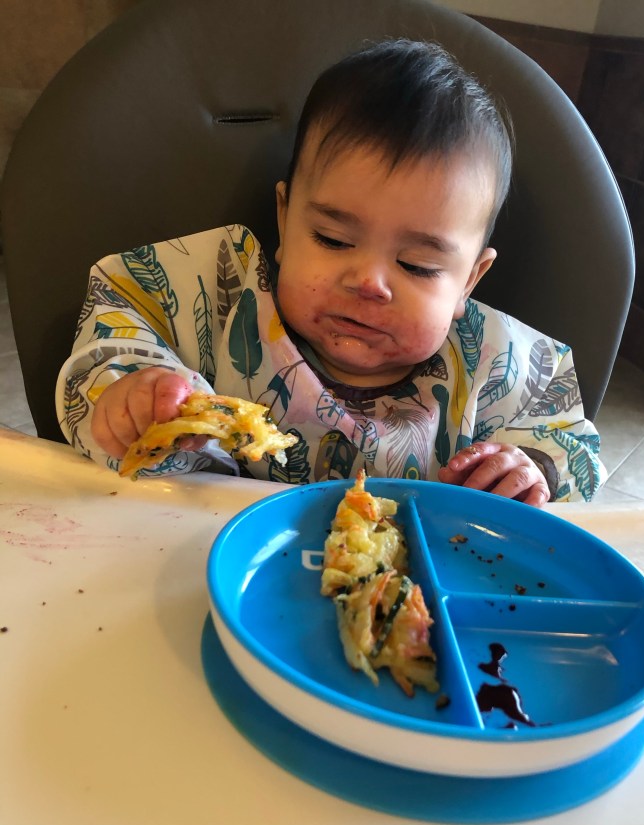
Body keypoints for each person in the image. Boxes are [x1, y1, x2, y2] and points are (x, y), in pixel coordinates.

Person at [56, 39, 604, 504]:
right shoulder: (216, 291)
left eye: (417, 265)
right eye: (332, 239)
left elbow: (570, 444)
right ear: (284, 218)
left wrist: (533, 468)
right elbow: (122, 311)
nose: (369, 282)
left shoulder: (498, 364)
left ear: (468, 281)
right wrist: (135, 388)